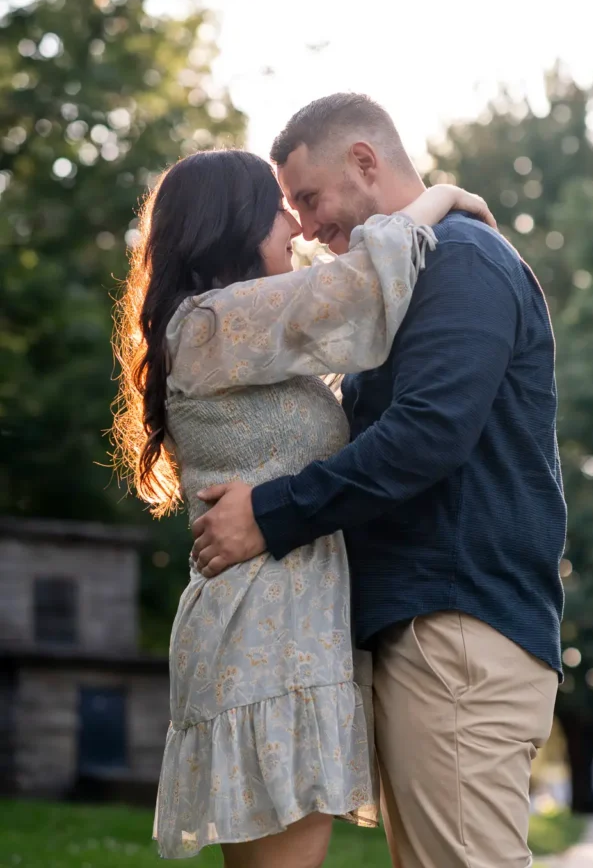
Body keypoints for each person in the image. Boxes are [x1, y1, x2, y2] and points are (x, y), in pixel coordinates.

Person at [191, 94, 567, 868]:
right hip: (425, 627)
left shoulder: (461, 258)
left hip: (457, 624)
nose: (305, 225)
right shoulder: (403, 279)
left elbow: (425, 435)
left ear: (364, 161)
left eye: (310, 197)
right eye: (290, 206)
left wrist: (273, 512)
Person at [111, 146, 495, 866]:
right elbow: (359, 289)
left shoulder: (244, 329)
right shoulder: (212, 323)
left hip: (289, 623)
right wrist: (440, 195)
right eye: (278, 206)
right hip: (266, 631)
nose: (296, 223)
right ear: (233, 222)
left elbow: (350, 297)